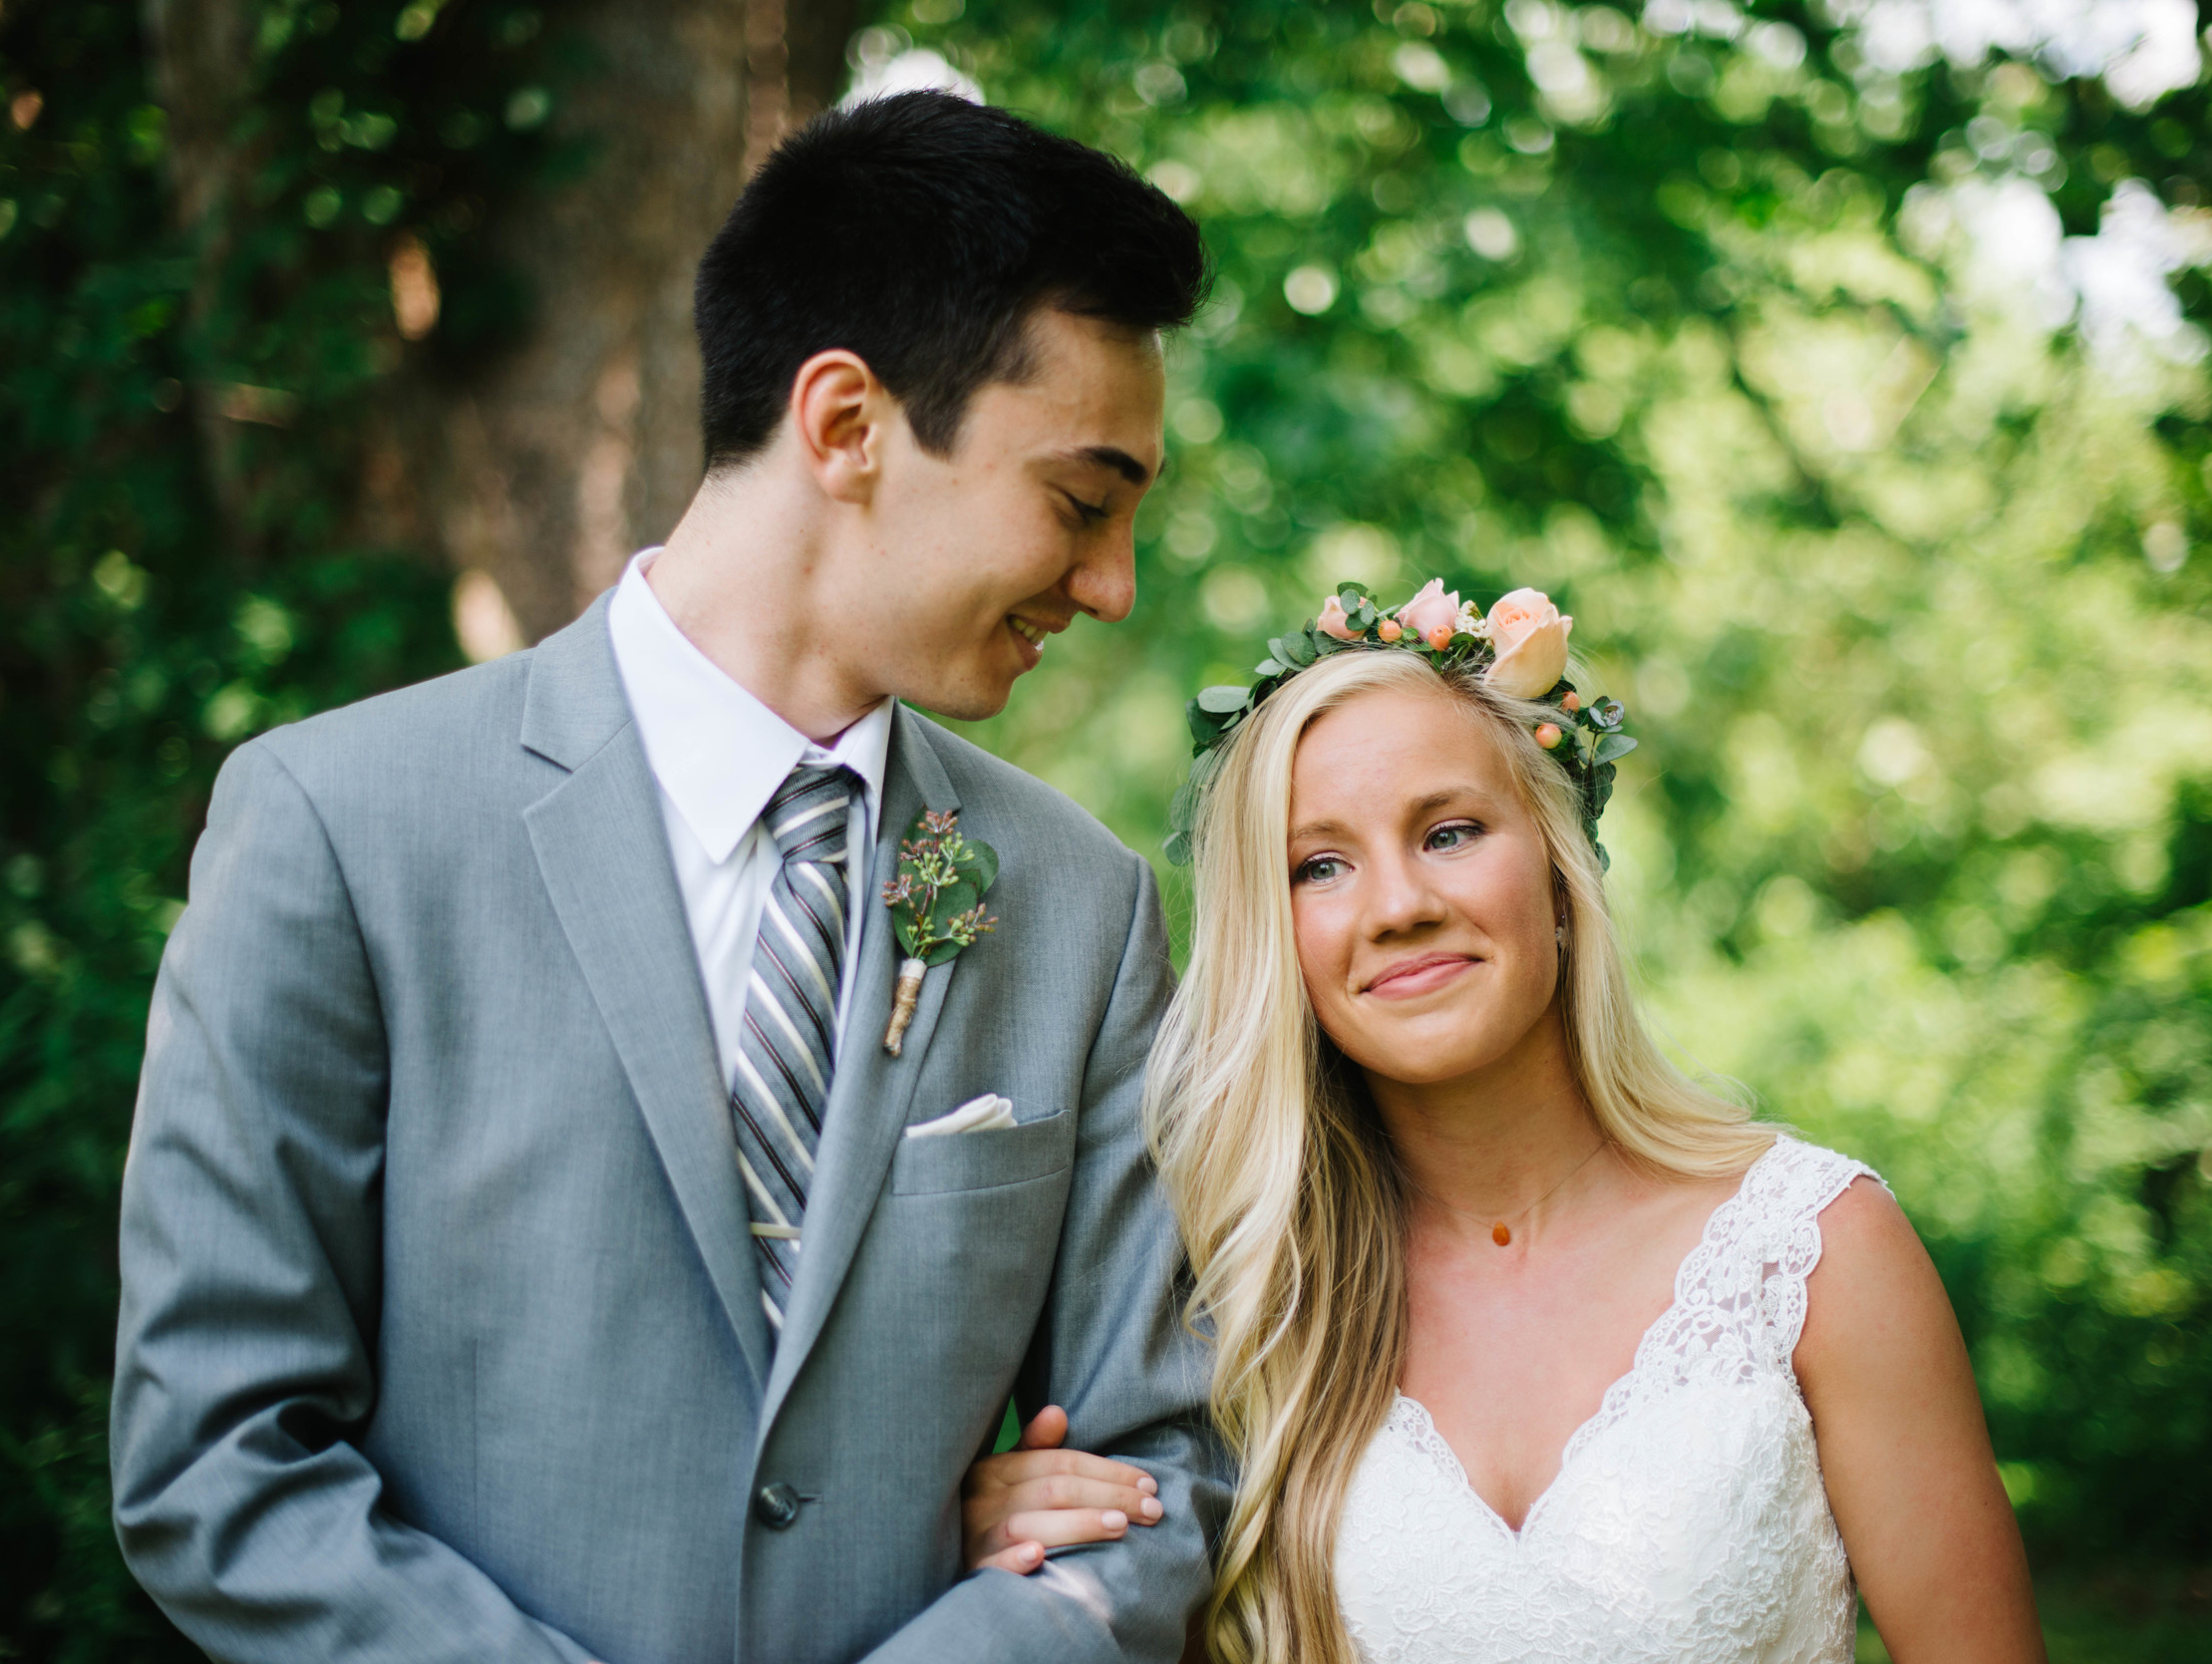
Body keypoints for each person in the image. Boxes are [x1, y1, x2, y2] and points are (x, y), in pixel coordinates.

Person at [112, 91, 1221, 1664]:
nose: (1110, 586)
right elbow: (217, 1462)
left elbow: (1161, 1478)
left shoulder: (1081, 908)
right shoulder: (337, 827)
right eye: (1083, 502)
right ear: (845, 425)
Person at [963, 582, 2048, 1663]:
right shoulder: (1238, 1300)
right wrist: (1041, 1549)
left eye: (1449, 832)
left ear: (1559, 875)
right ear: (1274, 938)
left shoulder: (1816, 1251)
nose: (1398, 904)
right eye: (1321, 865)